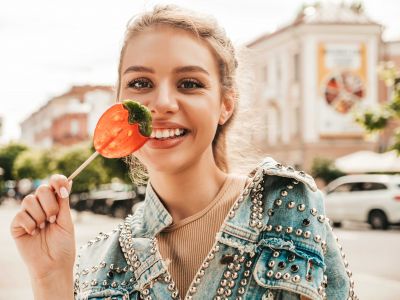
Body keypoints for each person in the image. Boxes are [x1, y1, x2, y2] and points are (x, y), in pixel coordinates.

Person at [10, 5, 356, 300]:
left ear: (225, 104)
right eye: (141, 83)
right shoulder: (98, 263)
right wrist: (50, 279)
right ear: (119, 103)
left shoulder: (287, 205)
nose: (161, 104)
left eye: (189, 83)